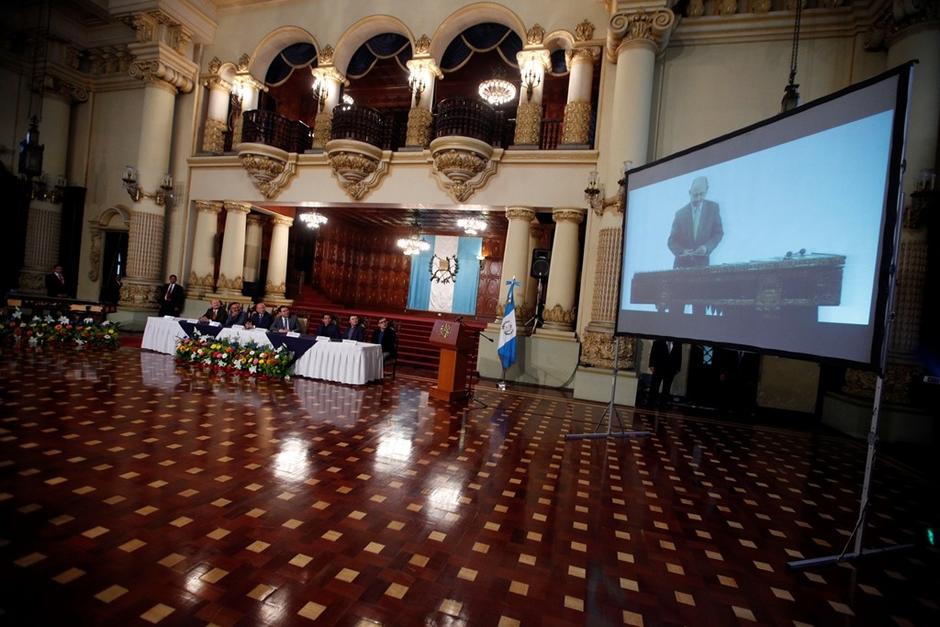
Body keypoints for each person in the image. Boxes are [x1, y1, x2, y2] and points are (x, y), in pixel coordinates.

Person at [667, 176, 723, 269]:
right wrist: (682, 251)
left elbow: (718, 233)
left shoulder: (713, 208)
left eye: (701, 194)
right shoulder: (680, 214)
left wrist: (706, 247)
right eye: (695, 195)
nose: (698, 198)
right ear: (689, 193)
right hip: (681, 267)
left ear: (707, 190)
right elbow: (671, 241)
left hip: (702, 266)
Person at [649, 339, 682, 406]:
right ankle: (651, 403)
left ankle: (663, 404)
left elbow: (679, 356)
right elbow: (653, 353)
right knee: (655, 386)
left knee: (666, 388)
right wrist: (651, 365)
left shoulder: (678, 344)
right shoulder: (658, 342)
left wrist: (678, 368)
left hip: (670, 370)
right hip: (658, 368)